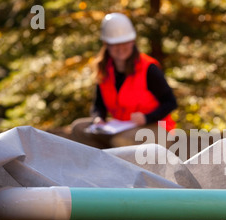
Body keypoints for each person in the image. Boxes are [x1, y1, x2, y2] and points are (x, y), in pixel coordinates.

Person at [71, 12, 177, 149]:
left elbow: (170, 102)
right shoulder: (104, 70)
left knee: (121, 141)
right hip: (121, 126)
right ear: (106, 44)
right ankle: (100, 164)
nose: (120, 48)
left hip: (157, 128)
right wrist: (98, 118)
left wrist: (147, 117)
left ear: (132, 41)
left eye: (125, 42)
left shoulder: (148, 68)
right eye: (115, 44)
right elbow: (98, 105)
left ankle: (118, 163)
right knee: (78, 129)